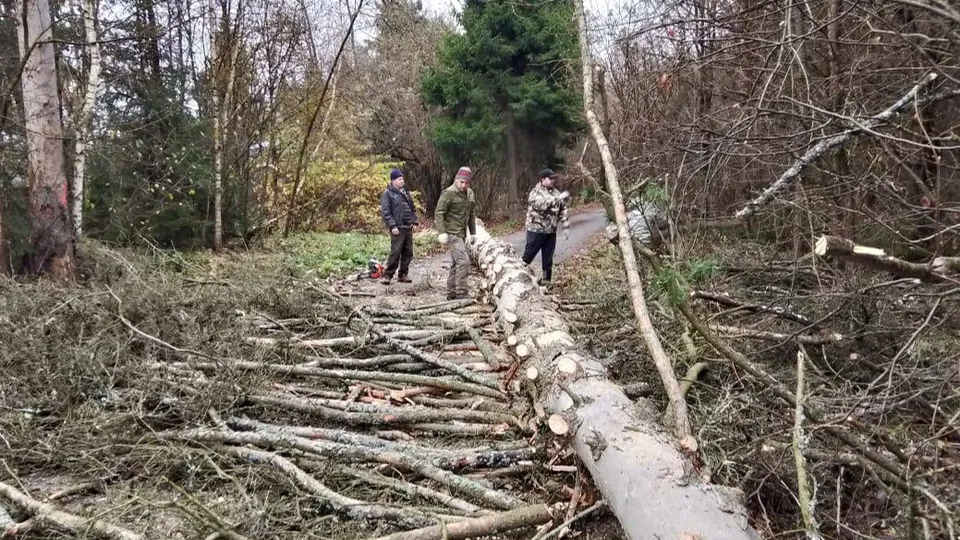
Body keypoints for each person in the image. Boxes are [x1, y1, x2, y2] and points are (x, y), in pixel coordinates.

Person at [434, 166, 476, 300]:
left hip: (462, 233)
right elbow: (439, 212)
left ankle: (451, 292)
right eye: (461, 182)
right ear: (456, 180)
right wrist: (442, 232)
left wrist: (473, 232)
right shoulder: (448, 193)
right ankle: (461, 293)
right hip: (452, 233)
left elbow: (471, 214)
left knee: (456, 262)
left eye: (466, 183)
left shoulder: (470, 194)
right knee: (464, 261)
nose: (463, 185)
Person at [522, 168, 570, 286]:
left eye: (554, 178)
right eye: (550, 178)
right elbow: (541, 205)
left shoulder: (556, 193)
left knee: (548, 259)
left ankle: (546, 282)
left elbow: (563, 209)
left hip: (550, 232)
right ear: (543, 179)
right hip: (536, 231)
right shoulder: (535, 192)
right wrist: (557, 199)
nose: (553, 180)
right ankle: (519, 276)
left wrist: (566, 225)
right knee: (528, 256)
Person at [379, 168, 418, 284]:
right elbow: (386, 212)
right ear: (393, 181)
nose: (402, 181)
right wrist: (392, 226)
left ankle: (403, 274)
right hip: (397, 228)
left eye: (402, 179)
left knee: (408, 252)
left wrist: (414, 222)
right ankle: (387, 275)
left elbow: (412, 209)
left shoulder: (406, 193)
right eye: (399, 179)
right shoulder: (387, 194)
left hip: (408, 227)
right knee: (395, 252)